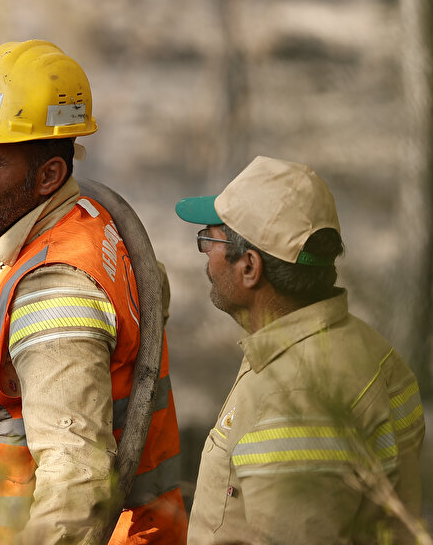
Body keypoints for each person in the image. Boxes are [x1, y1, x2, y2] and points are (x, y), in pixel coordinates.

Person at [0, 39, 187, 544]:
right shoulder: (95, 224)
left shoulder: (56, 299)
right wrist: (9, 262)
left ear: (49, 174)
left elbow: (76, 490)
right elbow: (143, 291)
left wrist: (31, 286)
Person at [175, 156, 425, 544]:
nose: (205, 252)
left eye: (210, 239)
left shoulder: (293, 400)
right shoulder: (370, 349)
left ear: (249, 268)